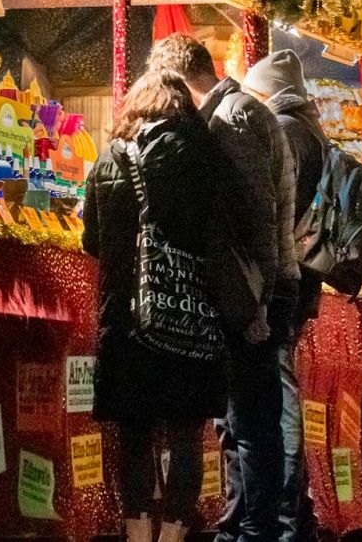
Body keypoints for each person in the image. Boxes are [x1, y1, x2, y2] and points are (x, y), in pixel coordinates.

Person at [147, 34, 300, 542]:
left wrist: (258, 302)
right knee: (241, 420)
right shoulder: (237, 112)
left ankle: (254, 530)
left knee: (251, 421)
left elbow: (258, 214)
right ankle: (241, 524)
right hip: (255, 286)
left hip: (253, 290)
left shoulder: (230, 119)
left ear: (179, 79)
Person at [85, 70, 237, 542]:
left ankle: (136, 533)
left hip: (126, 318)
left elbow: (91, 239)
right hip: (190, 314)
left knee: (134, 433)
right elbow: (222, 233)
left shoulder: (110, 157)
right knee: (186, 434)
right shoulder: (205, 157)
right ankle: (172, 535)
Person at [259, 49, 330, 542]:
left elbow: (275, 209)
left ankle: (286, 508)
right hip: (304, 279)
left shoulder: (284, 131)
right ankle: (296, 509)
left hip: (285, 279)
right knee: (282, 388)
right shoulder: (311, 130)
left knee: (279, 393)